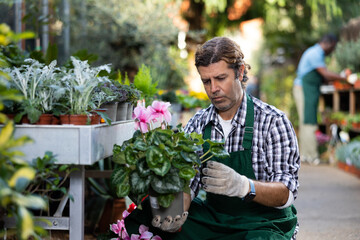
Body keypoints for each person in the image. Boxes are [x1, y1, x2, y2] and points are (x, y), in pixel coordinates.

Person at [125, 37, 300, 239]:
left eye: (220, 78)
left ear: (240, 72)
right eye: (206, 81)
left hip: (263, 223)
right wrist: (174, 216)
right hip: (216, 220)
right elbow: (188, 185)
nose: (213, 88)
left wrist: (244, 186)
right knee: (140, 219)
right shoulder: (198, 124)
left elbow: (286, 194)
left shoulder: (273, 121)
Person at [293, 34, 351, 164]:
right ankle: (312, 156)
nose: (332, 51)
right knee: (309, 121)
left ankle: (306, 155)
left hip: (304, 89)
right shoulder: (315, 53)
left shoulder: (314, 52)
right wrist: (343, 78)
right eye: (333, 48)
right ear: (328, 44)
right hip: (303, 90)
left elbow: (321, 76)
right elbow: (325, 74)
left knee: (306, 121)